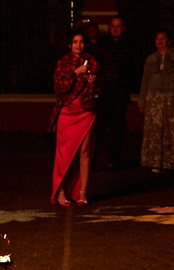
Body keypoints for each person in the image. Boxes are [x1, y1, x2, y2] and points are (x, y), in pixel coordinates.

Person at [49, 32, 100, 206]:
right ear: (70, 45)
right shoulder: (63, 62)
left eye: (82, 42)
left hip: (86, 111)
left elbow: (98, 91)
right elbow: (59, 88)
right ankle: (61, 190)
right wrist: (76, 72)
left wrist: (92, 83)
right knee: (65, 154)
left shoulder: (92, 62)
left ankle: (82, 192)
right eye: (75, 42)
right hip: (68, 112)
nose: (78, 45)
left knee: (85, 152)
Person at [137, 31, 174, 175]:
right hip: (154, 99)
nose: (160, 41)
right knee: (154, 131)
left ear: (169, 40)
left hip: (171, 97)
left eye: (163, 38)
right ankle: (154, 162)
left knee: (173, 129)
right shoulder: (151, 59)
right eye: (158, 38)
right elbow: (145, 80)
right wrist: (142, 100)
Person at [92, 15, 133, 172]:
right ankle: (93, 159)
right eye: (113, 26)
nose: (115, 29)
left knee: (118, 129)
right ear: (110, 28)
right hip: (104, 93)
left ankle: (113, 160)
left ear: (123, 28)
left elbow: (132, 69)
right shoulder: (102, 45)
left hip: (120, 94)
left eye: (119, 26)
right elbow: (96, 66)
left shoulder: (129, 46)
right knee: (99, 129)